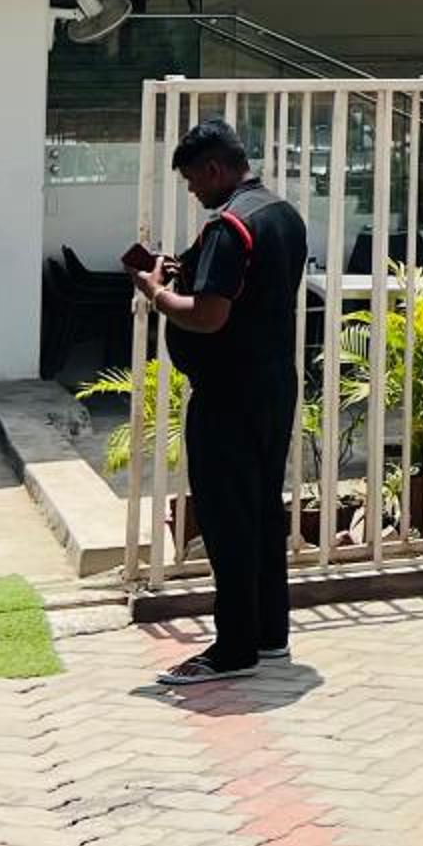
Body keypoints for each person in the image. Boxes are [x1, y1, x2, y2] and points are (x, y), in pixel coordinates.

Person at [131, 117, 308, 683]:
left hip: (229, 391)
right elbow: (253, 288)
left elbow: (208, 316)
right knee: (262, 509)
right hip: (273, 384)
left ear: (213, 169)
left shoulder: (229, 226)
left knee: (229, 516)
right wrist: (189, 270)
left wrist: (156, 292)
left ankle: (233, 650)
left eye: (192, 180)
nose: (192, 191)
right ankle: (270, 636)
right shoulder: (281, 214)